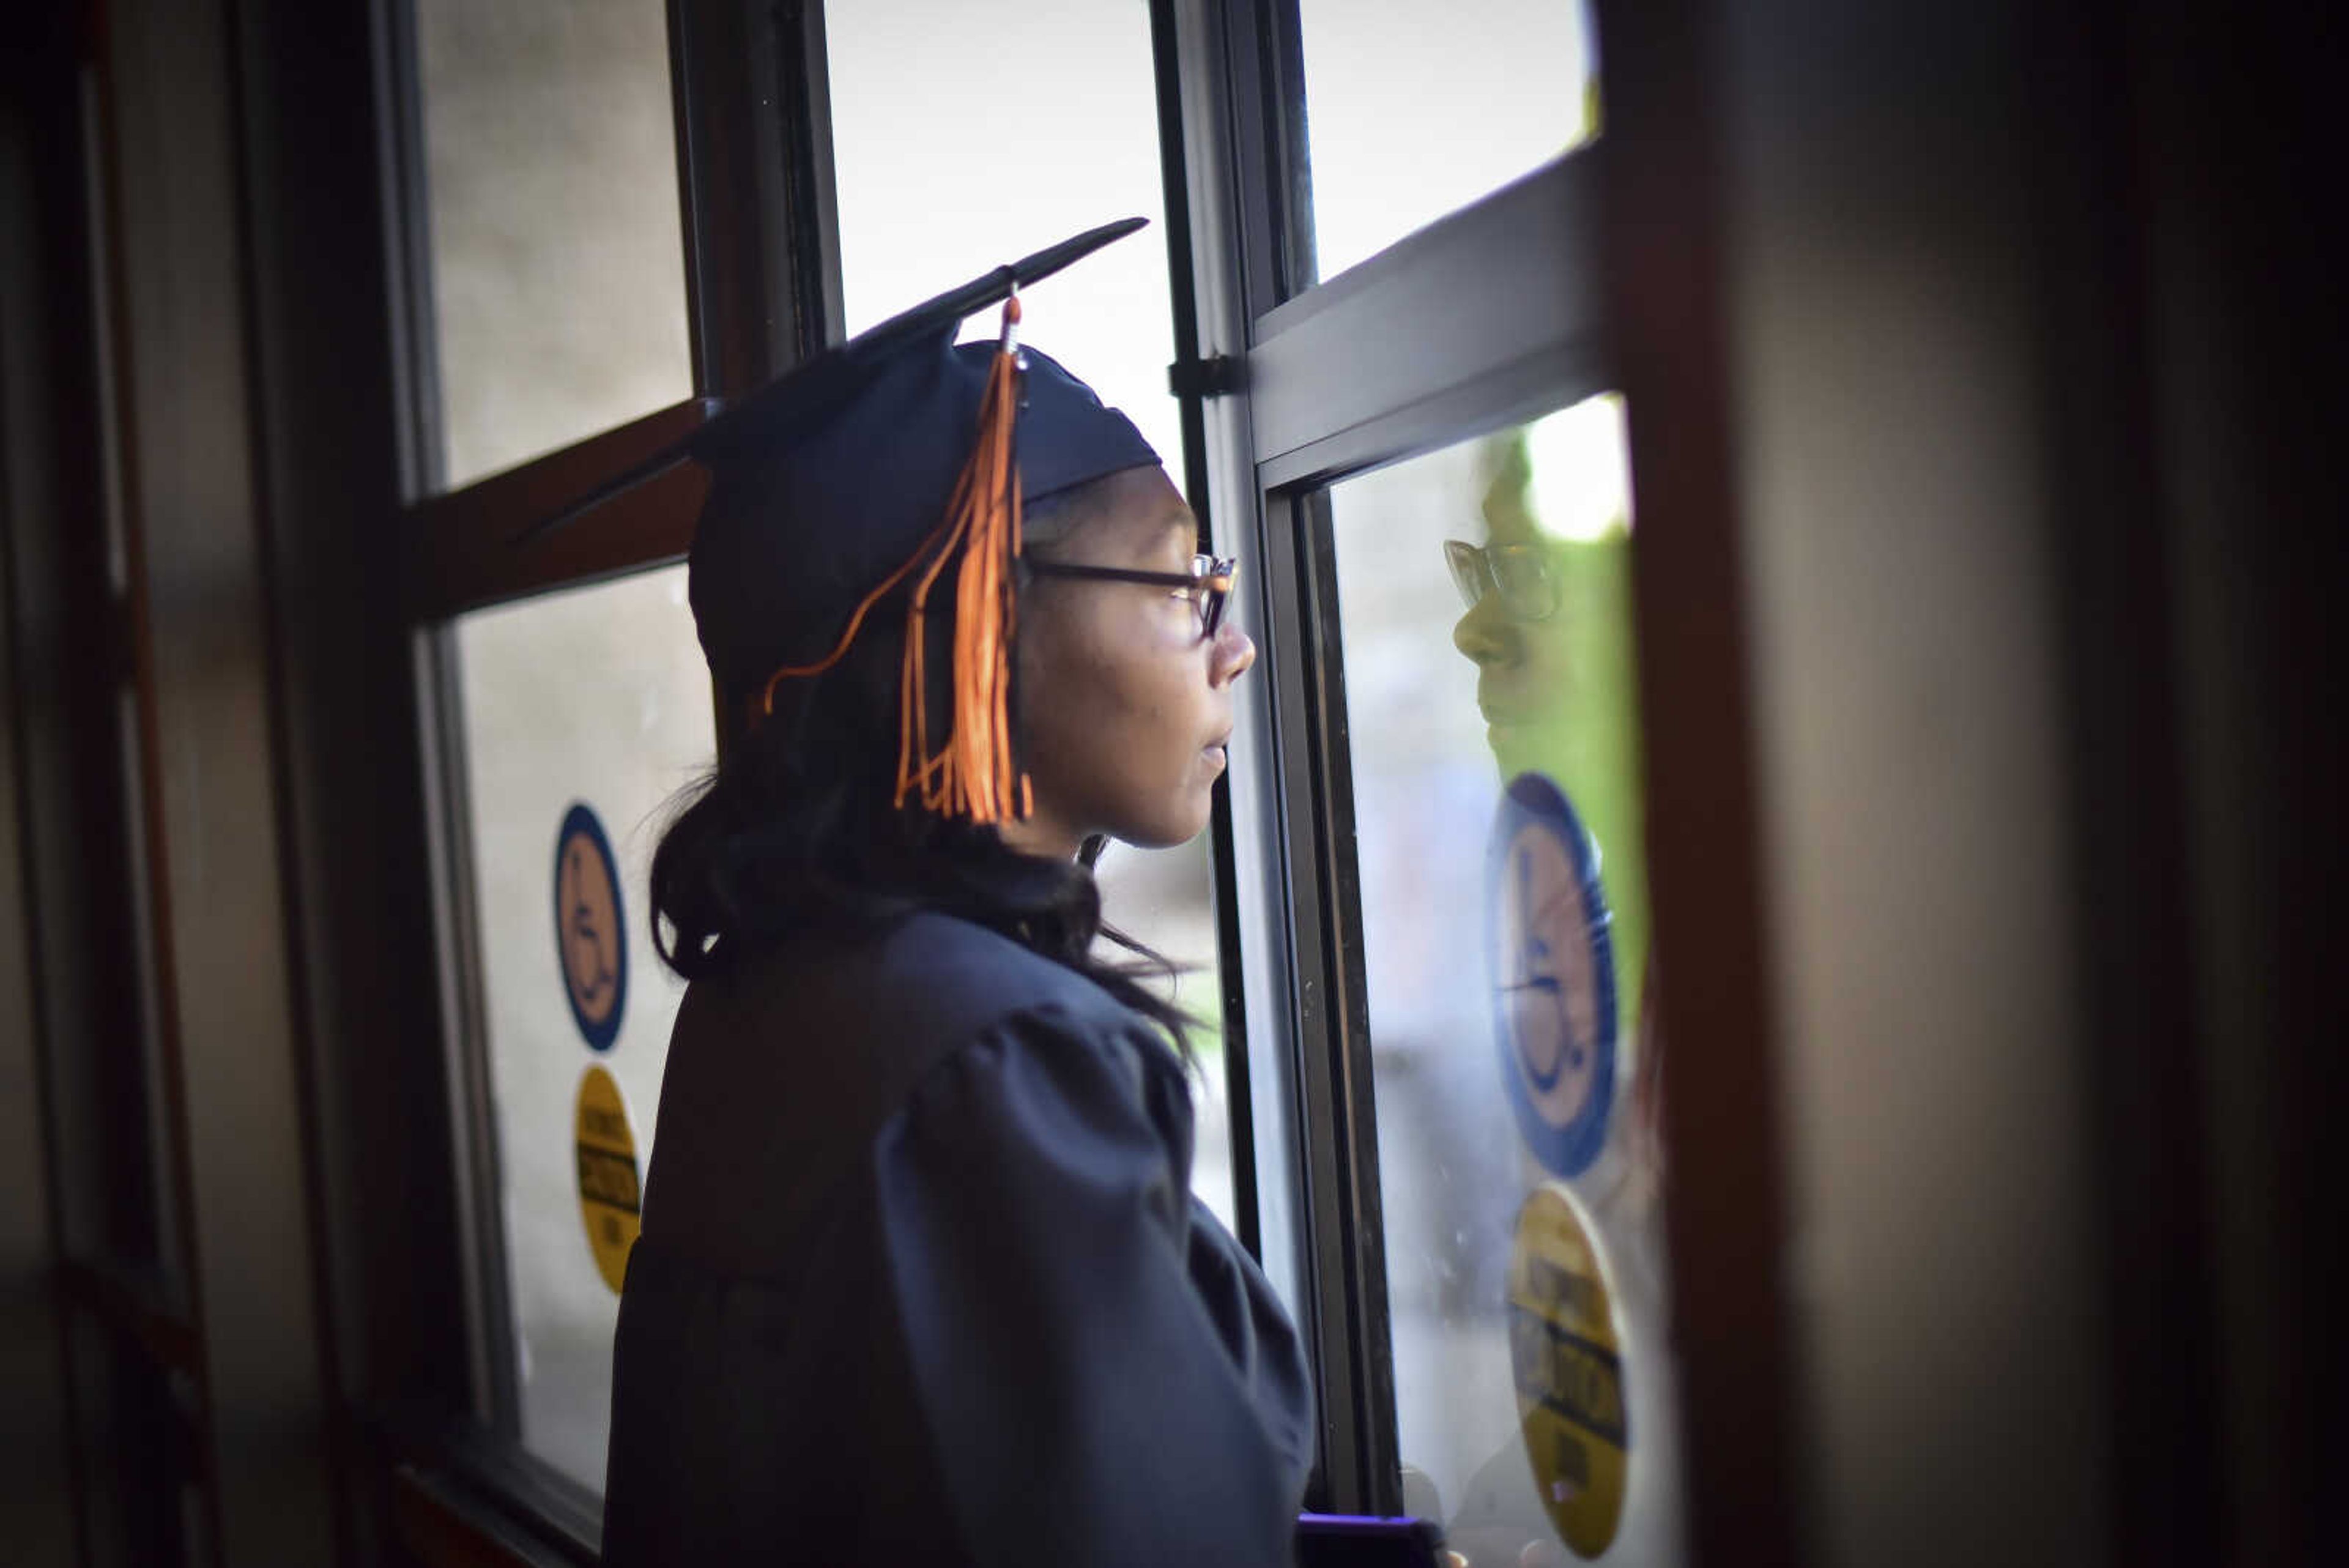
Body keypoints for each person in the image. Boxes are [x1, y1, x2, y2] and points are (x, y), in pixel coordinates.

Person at [596, 220, 1315, 1566]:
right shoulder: (993, 1059)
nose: (1238, 642)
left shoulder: (776, 992)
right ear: (978, 620)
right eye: (1184, 579)